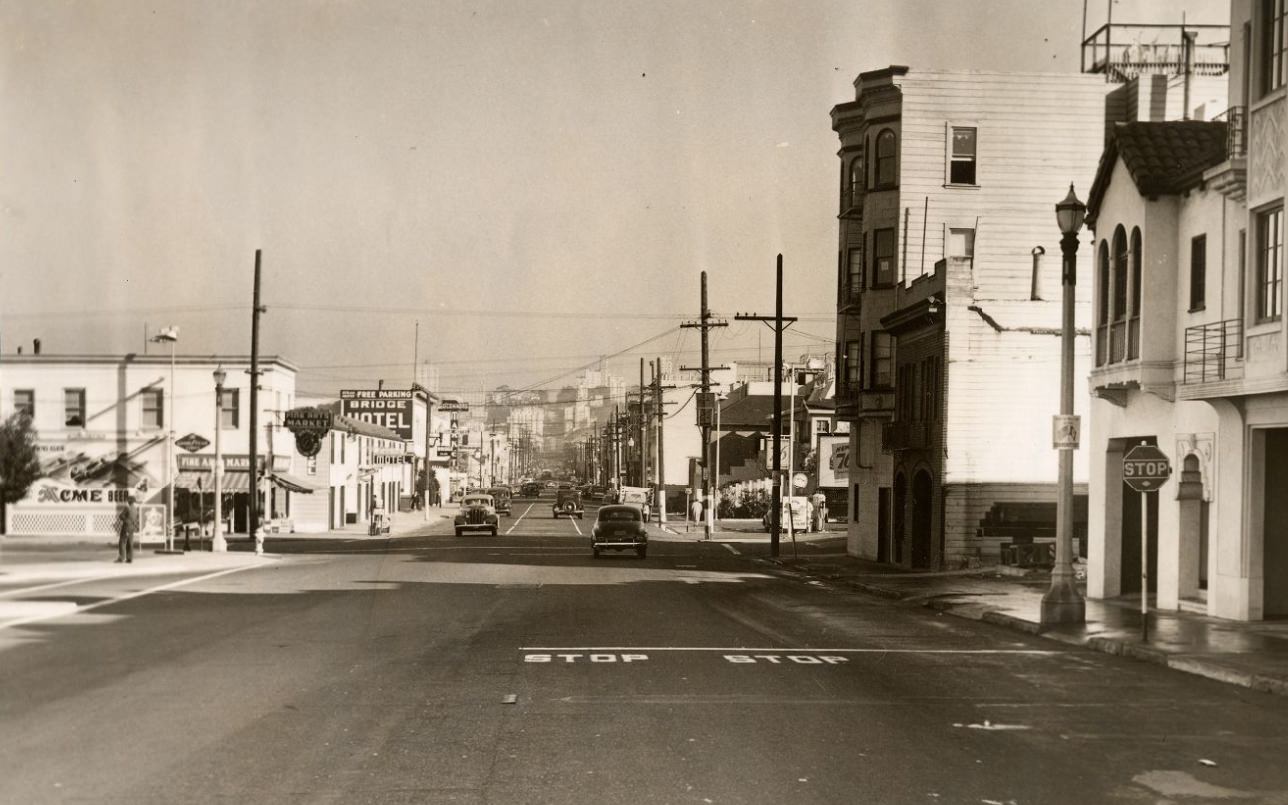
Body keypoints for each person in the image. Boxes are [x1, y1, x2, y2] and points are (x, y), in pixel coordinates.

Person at [115, 497, 138, 563]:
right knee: (130, 543)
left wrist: (126, 520)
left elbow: (121, 516)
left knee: (122, 542)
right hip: (132, 527)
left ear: (130, 501)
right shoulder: (135, 509)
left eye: (128, 500)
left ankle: (121, 558)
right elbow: (135, 518)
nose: (127, 501)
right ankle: (129, 558)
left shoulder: (127, 508)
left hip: (126, 527)